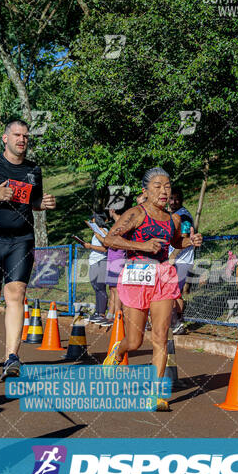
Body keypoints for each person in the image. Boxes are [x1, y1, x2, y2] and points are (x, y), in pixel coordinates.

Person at [102, 167, 202, 410]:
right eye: (157, 186)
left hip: (163, 276)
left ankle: (157, 394)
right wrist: (142, 245)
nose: (163, 191)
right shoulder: (135, 213)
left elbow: (176, 241)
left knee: (160, 336)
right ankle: (117, 352)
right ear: (145, 191)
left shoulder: (174, 219)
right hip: (137, 274)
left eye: (167, 186)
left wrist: (191, 241)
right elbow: (109, 239)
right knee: (134, 342)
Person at [0, 120, 56, 380]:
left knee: (16, 293)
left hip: (22, 239)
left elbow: (33, 201)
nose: (22, 140)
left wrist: (42, 202)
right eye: (17, 135)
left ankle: (11, 358)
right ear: (5, 138)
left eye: (25, 136)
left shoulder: (33, 169)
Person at [168, 187, 195, 334]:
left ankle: (176, 323)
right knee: (174, 293)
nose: (173, 201)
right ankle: (178, 323)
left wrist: (172, 257)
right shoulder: (172, 214)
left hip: (181, 260)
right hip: (176, 261)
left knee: (170, 293)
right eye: (171, 198)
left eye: (176, 199)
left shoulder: (183, 216)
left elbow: (184, 238)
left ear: (181, 200)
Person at [80, 213, 109, 325]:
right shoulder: (97, 233)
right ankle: (97, 312)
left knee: (100, 288)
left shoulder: (103, 231)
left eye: (92, 221)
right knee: (96, 287)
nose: (91, 223)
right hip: (95, 261)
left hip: (101, 261)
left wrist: (90, 246)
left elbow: (105, 248)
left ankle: (101, 313)